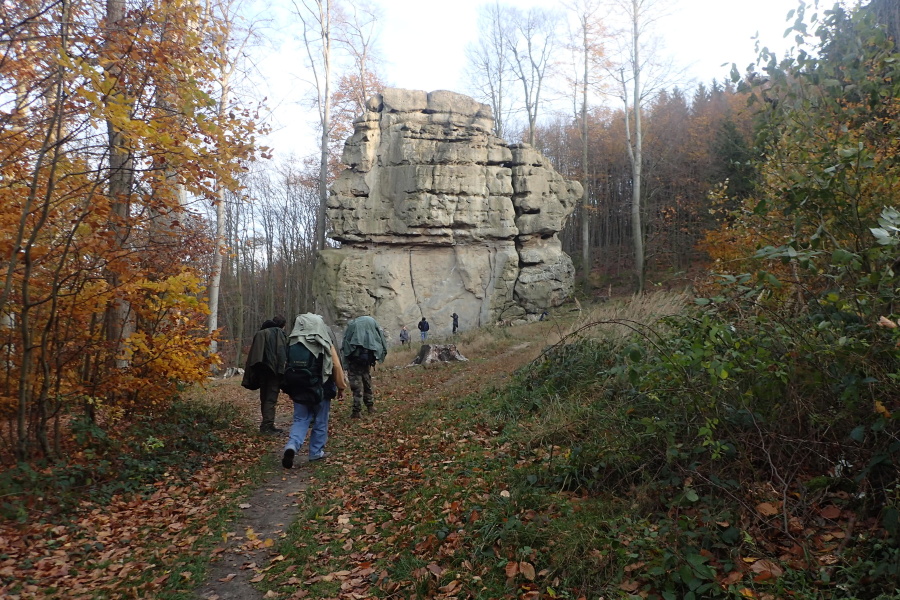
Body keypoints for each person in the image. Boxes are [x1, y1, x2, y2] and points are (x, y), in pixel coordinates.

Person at [280, 313, 348, 468]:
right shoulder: (324, 342)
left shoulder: (292, 343)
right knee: (320, 420)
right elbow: (336, 367)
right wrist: (341, 388)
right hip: (320, 388)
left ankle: (292, 445)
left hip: (298, 387)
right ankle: (316, 452)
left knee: (300, 419)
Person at [241, 315, 288, 435]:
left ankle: (267, 425)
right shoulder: (278, 333)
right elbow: (282, 352)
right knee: (271, 399)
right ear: (282, 325)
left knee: (264, 397)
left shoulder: (261, 333)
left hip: (262, 369)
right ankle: (267, 426)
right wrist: (283, 371)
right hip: (273, 371)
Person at [341, 315, 388, 418]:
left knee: (356, 386)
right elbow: (381, 339)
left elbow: (346, 344)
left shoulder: (352, 325)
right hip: (367, 360)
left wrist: (345, 363)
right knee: (367, 381)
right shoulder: (371, 322)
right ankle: (370, 406)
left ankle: (357, 411)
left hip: (354, 361)